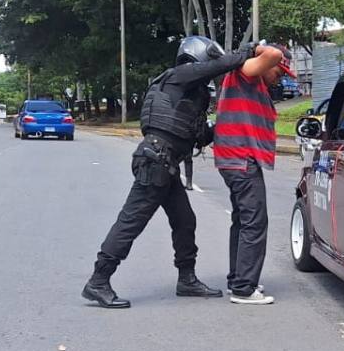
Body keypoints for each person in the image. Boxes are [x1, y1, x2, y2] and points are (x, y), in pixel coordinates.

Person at [82, 36, 259, 309]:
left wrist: (225, 125)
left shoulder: (186, 91)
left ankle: (186, 279)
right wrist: (244, 53)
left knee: (185, 221)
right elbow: (217, 67)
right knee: (131, 222)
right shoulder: (177, 76)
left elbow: (197, 136)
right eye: (209, 60)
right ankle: (98, 280)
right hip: (155, 162)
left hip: (165, 164)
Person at [214, 43, 294, 305]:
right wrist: (256, 48)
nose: (279, 78)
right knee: (254, 222)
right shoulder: (247, 71)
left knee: (242, 220)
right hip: (240, 159)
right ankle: (244, 288)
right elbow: (272, 55)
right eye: (279, 72)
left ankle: (238, 279)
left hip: (236, 159)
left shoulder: (250, 79)